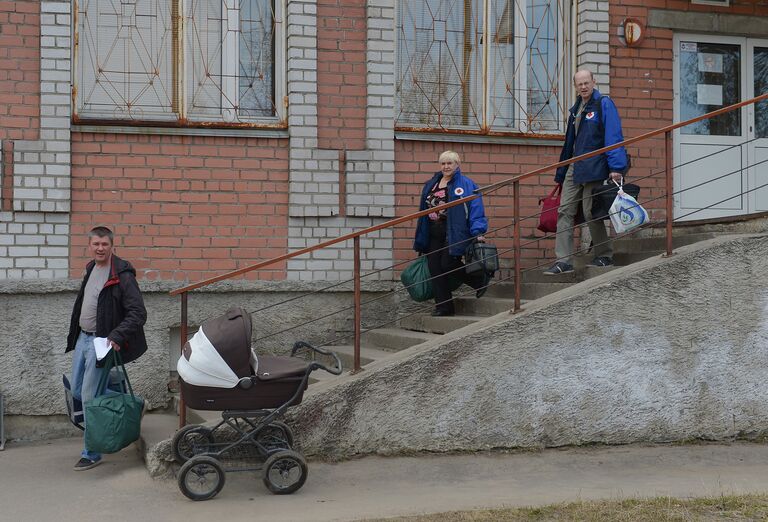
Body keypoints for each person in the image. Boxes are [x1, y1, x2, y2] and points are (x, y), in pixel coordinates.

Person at [65, 226, 148, 471]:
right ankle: (133, 402)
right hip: (83, 339)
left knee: (90, 397)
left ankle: (91, 452)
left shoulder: (122, 274)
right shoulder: (91, 268)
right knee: (78, 391)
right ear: (89, 246)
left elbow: (138, 313)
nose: (100, 248)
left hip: (103, 343)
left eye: (104, 244)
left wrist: (116, 336)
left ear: (112, 245)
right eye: (96, 244)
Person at [544, 69, 628, 275]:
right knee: (564, 210)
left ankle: (604, 255)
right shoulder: (576, 109)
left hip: (595, 166)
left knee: (591, 212)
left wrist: (616, 167)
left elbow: (613, 135)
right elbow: (569, 144)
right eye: (579, 84)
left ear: (594, 82)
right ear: (575, 86)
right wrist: (561, 173)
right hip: (575, 166)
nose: (583, 87)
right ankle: (563, 260)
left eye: (586, 82)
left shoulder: (603, 104)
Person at [413, 151, 489, 317]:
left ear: (457, 165)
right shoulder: (432, 183)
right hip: (433, 230)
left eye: (450, 163)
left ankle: (477, 280)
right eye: (443, 163)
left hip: (454, 230)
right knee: (435, 268)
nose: (446, 167)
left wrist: (478, 231)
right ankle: (444, 307)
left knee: (447, 264)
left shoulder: (466, 184)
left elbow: (476, 208)